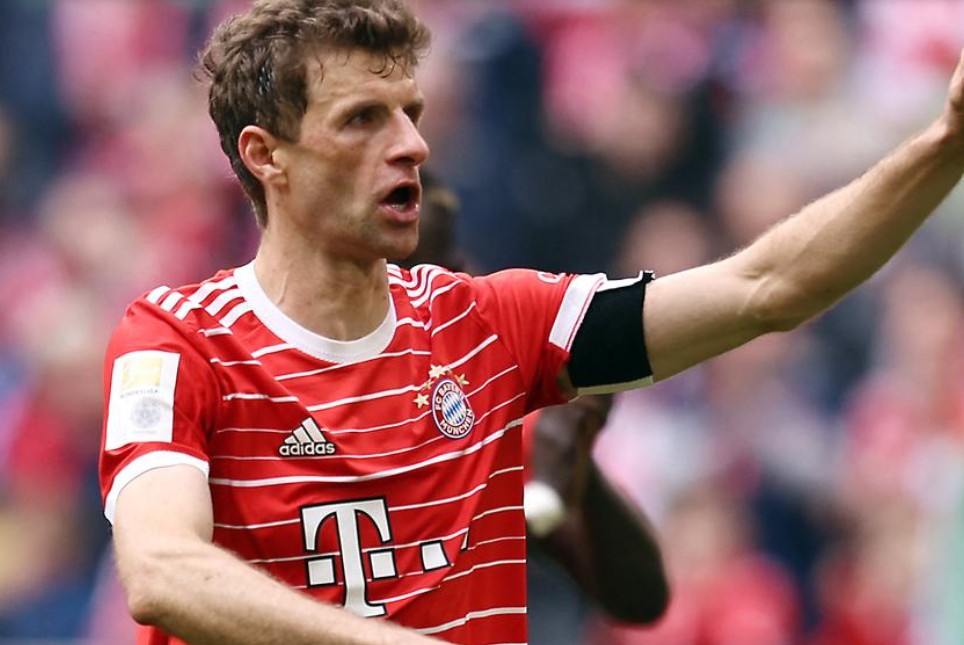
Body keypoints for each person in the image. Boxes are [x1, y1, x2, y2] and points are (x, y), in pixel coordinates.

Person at [98, 1, 964, 643]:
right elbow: (162, 569)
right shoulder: (176, 341)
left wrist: (945, 143)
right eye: (363, 119)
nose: (411, 145)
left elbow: (767, 286)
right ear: (266, 157)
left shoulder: (492, 322)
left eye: (411, 114)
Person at [405, 173, 670, 631]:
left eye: (419, 275)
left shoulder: (488, 419)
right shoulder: (277, 386)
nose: (399, 294)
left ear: (457, 274)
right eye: (384, 272)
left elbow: (640, 599)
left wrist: (577, 465)